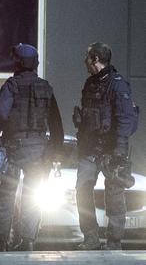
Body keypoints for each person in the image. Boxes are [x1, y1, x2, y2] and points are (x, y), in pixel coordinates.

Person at [0, 43, 64, 251]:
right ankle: (27, 240)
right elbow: (56, 123)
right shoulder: (46, 87)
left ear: (18, 62)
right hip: (39, 149)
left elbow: (0, 115)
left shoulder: (11, 85)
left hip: (15, 146)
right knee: (32, 196)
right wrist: (55, 151)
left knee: (6, 195)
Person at [74, 42, 139, 250]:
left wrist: (119, 151)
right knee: (82, 190)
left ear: (95, 59)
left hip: (111, 151)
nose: (85, 61)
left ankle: (114, 241)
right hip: (90, 149)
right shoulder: (90, 84)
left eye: (88, 57)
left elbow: (126, 119)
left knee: (114, 194)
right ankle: (91, 238)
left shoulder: (118, 84)